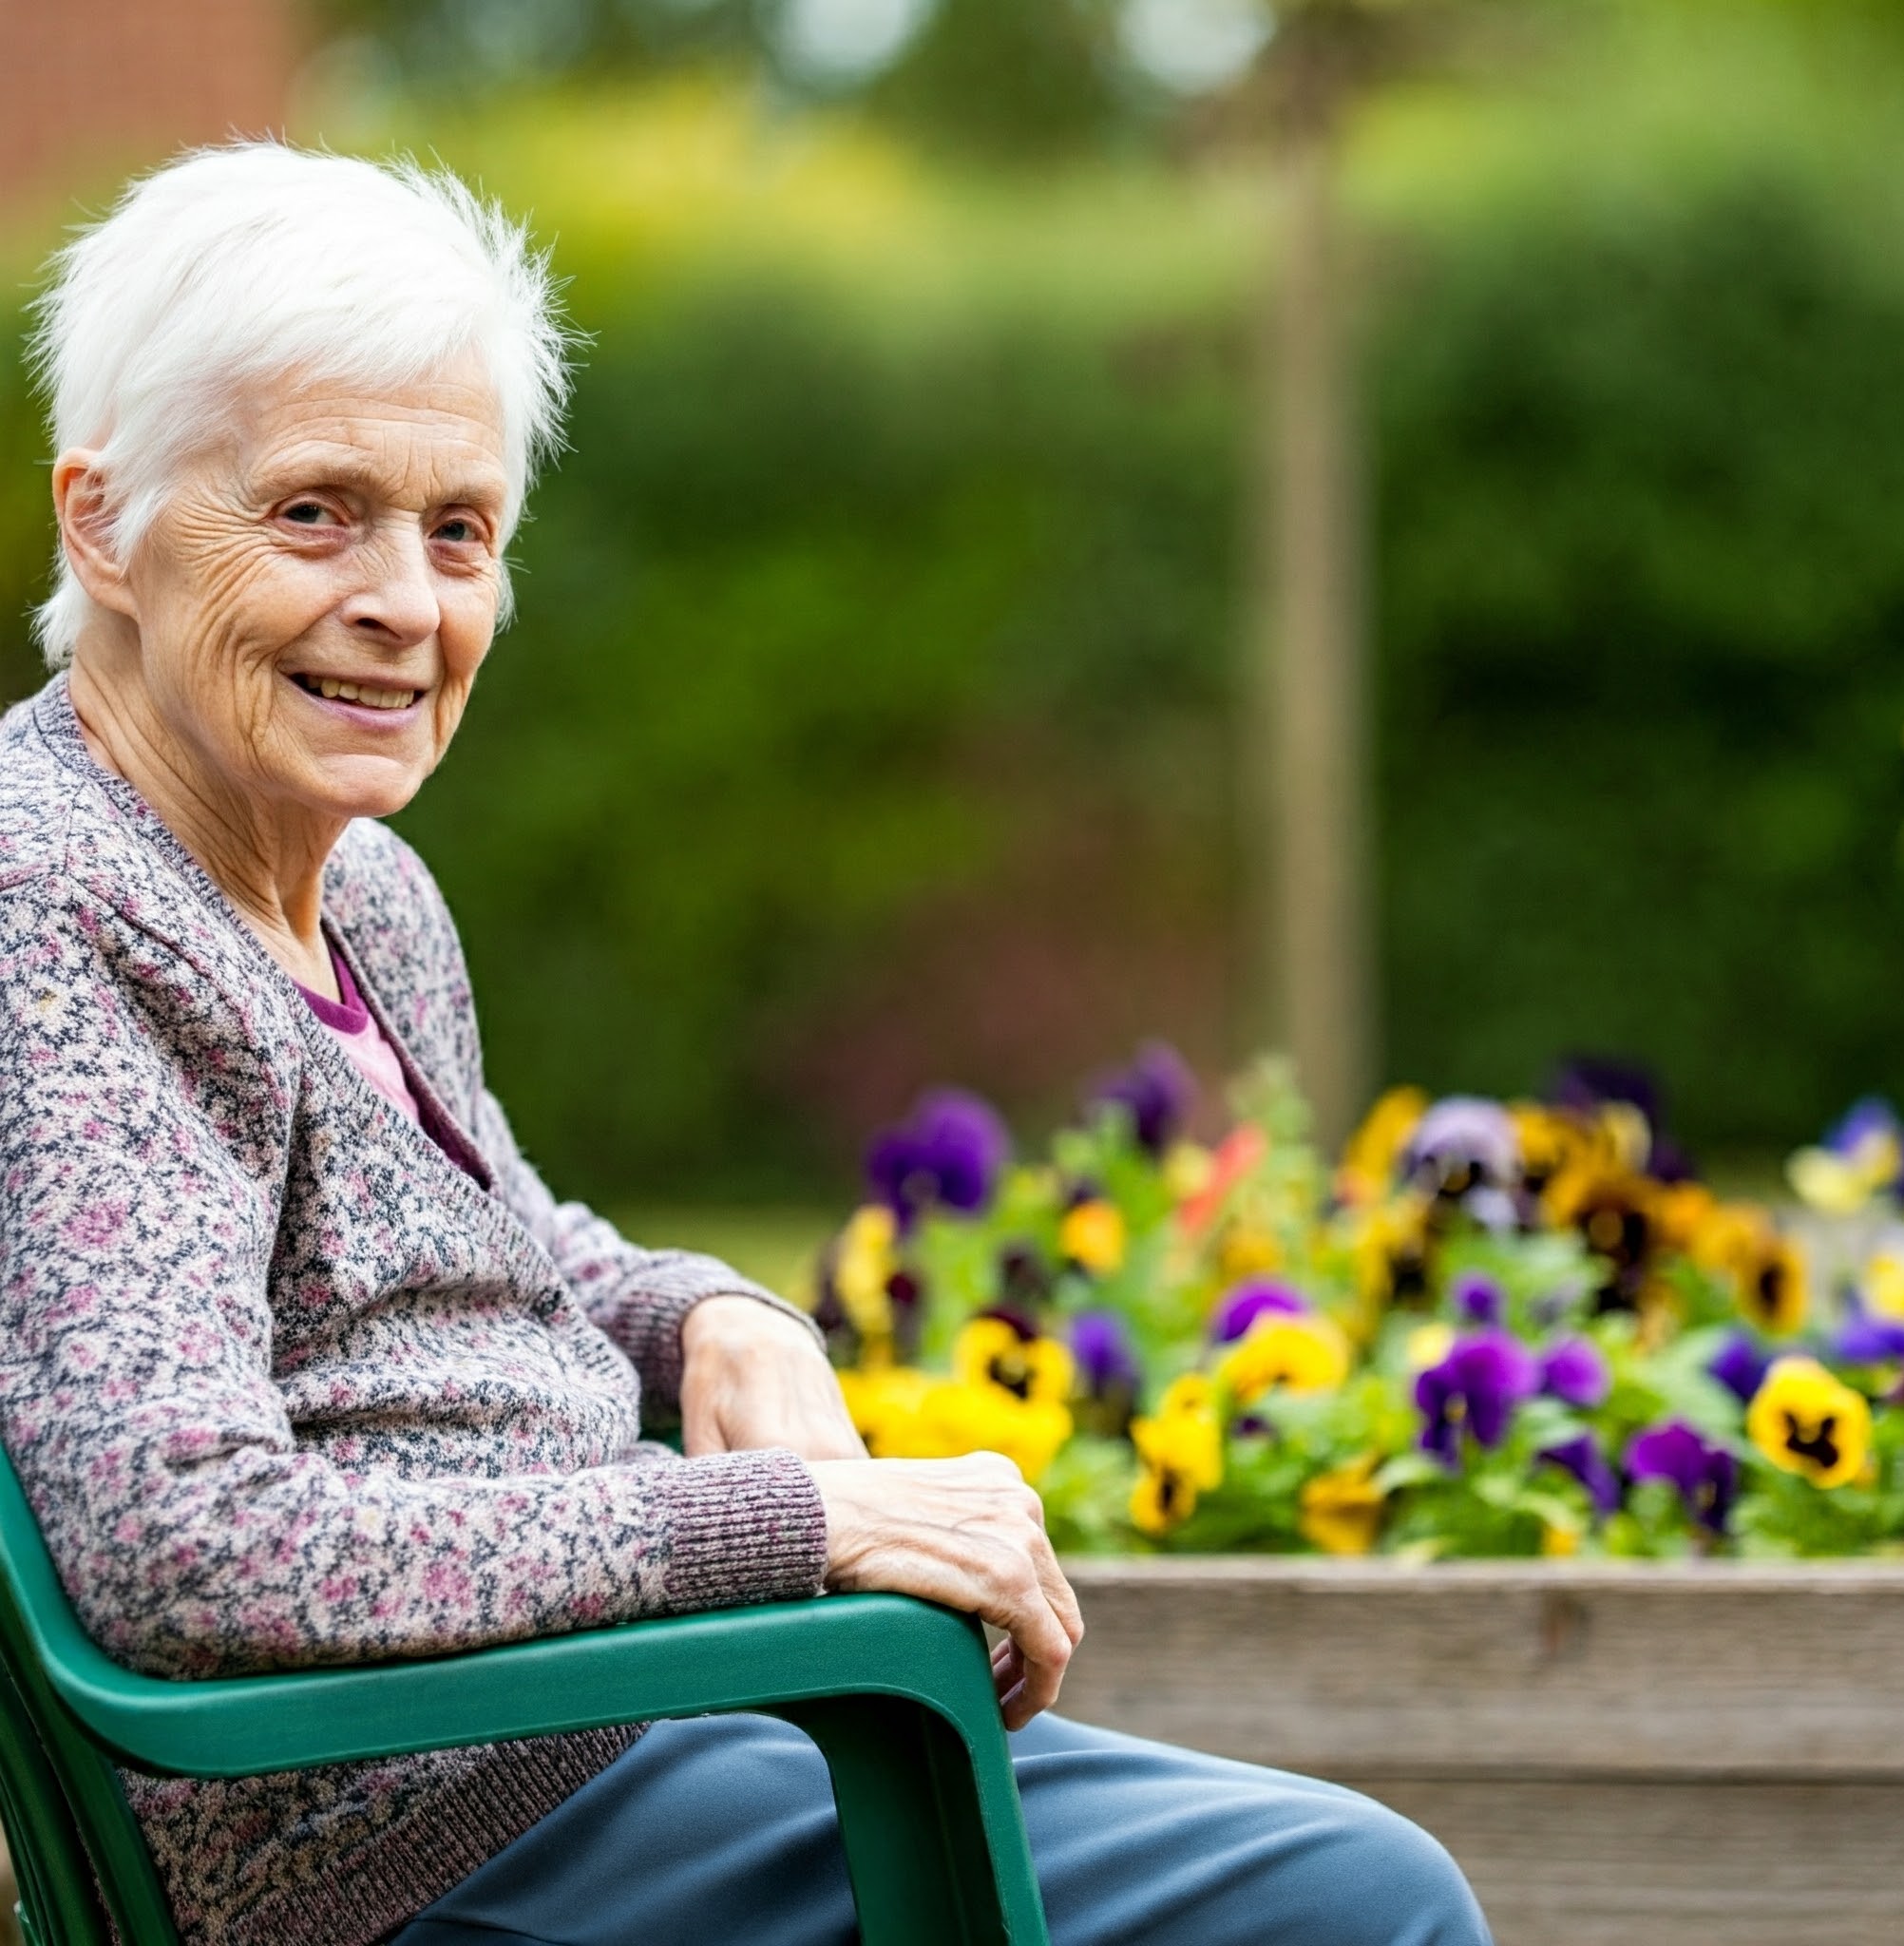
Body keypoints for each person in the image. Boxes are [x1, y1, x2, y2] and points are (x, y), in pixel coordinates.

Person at [0, 143, 1493, 1946]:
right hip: (413, 1833)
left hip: (611, 1737)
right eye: (316, 511)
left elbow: (497, 1262)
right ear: (104, 523)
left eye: (460, 529)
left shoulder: (351, 882)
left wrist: (711, 1313)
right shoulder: (60, 910)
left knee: (1341, 1874)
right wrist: (793, 1532)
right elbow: (186, 1541)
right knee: (1349, 1909)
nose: (410, 602)